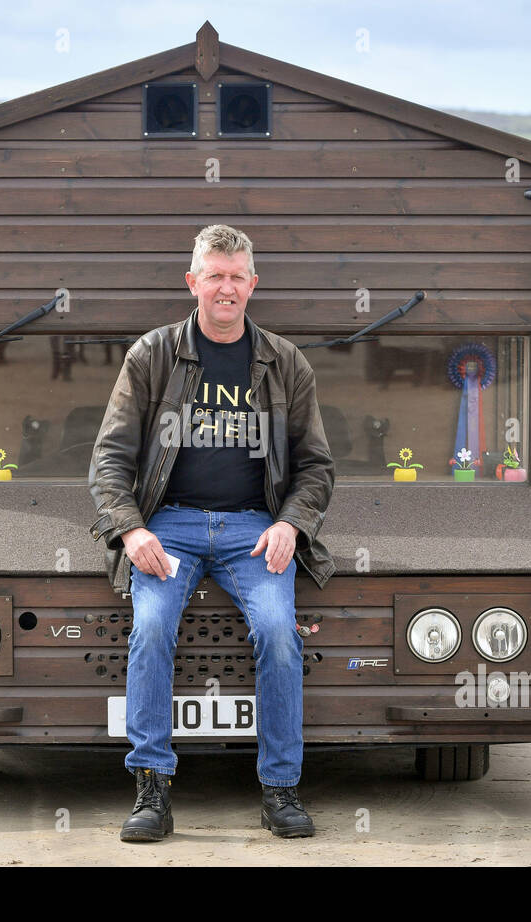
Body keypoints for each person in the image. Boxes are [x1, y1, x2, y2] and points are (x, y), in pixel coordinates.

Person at [88, 224, 336, 841]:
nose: (225, 288)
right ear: (192, 281)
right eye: (214, 275)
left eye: (236, 277)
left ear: (253, 284)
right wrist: (131, 531)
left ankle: (280, 789)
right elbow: (109, 458)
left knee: (280, 632)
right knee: (149, 629)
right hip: (168, 524)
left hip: (255, 528)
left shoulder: (285, 361)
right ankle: (151, 790)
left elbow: (316, 466)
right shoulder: (153, 355)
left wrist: (291, 524)